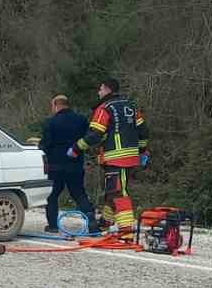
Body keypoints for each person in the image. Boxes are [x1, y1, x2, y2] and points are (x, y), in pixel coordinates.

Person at [74, 77, 150, 236]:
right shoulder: (132, 106)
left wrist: (76, 147)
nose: (98, 92)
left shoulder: (104, 108)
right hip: (130, 157)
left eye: (100, 89)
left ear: (107, 89)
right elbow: (143, 131)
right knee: (112, 191)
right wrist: (142, 151)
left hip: (115, 158)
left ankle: (126, 230)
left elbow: (95, 134)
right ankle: (105, 223)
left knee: (118, 193)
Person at [38, 94, 95, 233]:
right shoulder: (81, 120)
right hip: (75, 165)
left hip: (55, 166)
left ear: (56, 105)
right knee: (79, 194)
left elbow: (45, 144)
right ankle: (92, 223)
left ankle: (52, 226)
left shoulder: (51, 122)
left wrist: (39, 146)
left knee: (52, 195)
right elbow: (89, 138)